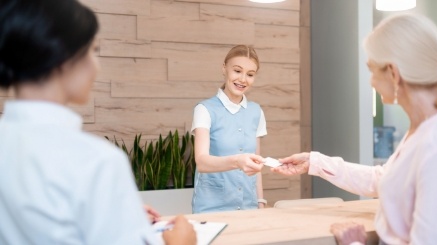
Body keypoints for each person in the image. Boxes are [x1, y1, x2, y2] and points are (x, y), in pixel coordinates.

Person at [272, 13, 437, 244]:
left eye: (372, 70)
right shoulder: (426, 128)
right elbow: (386, 179)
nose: (371, 81)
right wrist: (315, 162)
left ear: (393, 73)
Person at [0, 0, 196, 244]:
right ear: (63, 57)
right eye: (94, 51)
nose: (97, 67)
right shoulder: (95, 161)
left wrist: (117, 213)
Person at [191, 45, 267, 213]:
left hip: (249, 207)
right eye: (237, 71)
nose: (243, 79)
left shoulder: (256, 112)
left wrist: (260, 201)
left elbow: (256, 165)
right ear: (224, 68)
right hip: (212, 208)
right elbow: (202, 161)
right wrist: (237, 161)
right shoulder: (205, 109)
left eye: (250, 74)